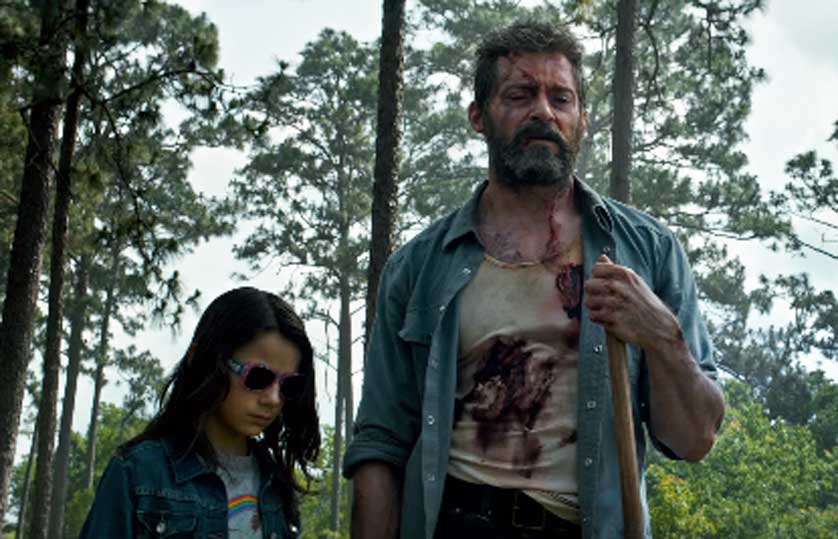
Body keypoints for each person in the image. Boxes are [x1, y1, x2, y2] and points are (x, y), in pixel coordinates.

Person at [344, 20, 725, 539]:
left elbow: (695, 439)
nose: (543, 112)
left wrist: (662, 336)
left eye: (560, 98)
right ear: (478, 116)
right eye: (520, 95)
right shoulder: (418, 268)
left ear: (582, 119)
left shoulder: (647, 252)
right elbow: (381, 443)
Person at [80, 287, 320, 539]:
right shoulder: (138, 474)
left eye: (289, 385)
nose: (273, 399)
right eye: (258, 377)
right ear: (202, 359)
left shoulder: (277, 486)